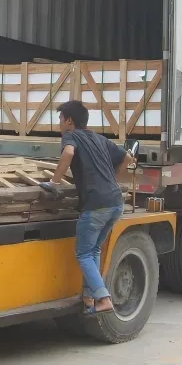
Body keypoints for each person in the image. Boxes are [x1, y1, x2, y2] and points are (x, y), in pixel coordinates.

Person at [41, 100, 136, 315]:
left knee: (83, 254)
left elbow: (68, 154)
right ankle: (89, 298)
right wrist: (112, 177)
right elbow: (128, 158)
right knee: (93, 250)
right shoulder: (100, 139)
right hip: (115, 203)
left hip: (95, 206)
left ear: (69, 121)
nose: (59, 124)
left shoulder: (71, 137)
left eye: (60, 119)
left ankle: (103, 298)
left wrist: (54, 183)